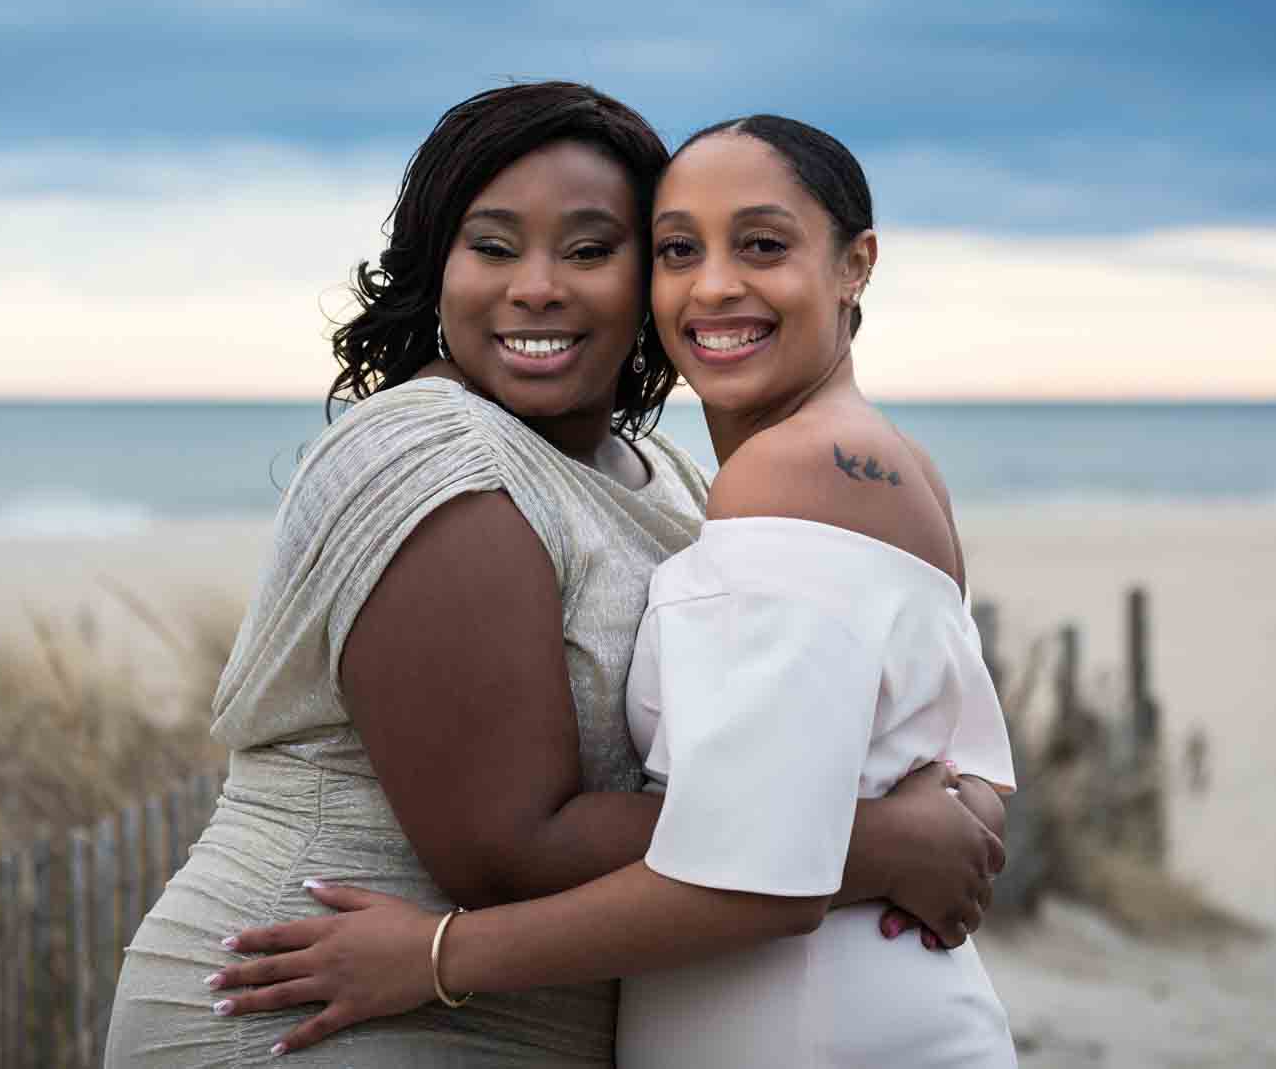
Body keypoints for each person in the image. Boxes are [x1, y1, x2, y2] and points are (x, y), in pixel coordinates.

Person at [104, 87, 1005, 1067]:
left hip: (519, 1008)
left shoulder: (672, 481)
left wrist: (942, 812)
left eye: (589, 250)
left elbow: (923, 733)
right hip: (331, 1007)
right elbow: (505, 849)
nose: (536, 287)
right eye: (492, 247)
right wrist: (880, 844)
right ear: (434, 267)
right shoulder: (437, 455)